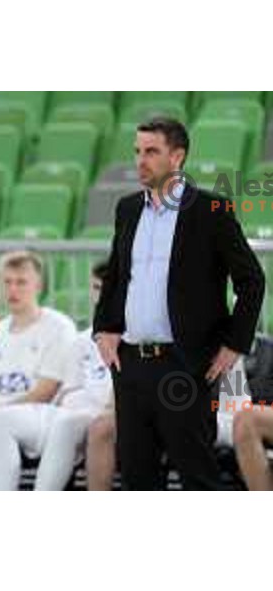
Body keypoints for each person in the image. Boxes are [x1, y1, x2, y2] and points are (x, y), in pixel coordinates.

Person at [93, 116, 265, 490]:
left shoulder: (211, 209)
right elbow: (117, 276)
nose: (140, 160)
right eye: (137, 151)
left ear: (177, 156)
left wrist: (234, 345)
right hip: (131, 365)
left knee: (196, 477)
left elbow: (252, 280)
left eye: (151, 151)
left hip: (186, 364)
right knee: (137, 479)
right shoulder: (127, 209)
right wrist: (103, 329)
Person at [0, 259, 113, 491]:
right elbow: (68, 392)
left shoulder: (136, 339)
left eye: (107, 288)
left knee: (66, 422)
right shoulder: (83, 341)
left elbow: (51, 391)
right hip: (67, 412)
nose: (100, 295)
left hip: (100, 416)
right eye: (95, 288)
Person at [0, 251, 78, 490]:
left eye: (21, 282)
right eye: (7, 282)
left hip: (42, 414)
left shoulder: (59, 326)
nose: (13, 289)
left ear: (38, 286)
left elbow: (46, 390)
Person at [86, 358, 250, 490]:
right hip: (149, 424)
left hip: (212, 422)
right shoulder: (143, 350)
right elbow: (117, 405)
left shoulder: (223, 350)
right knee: (104, 427)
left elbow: (235, 411)